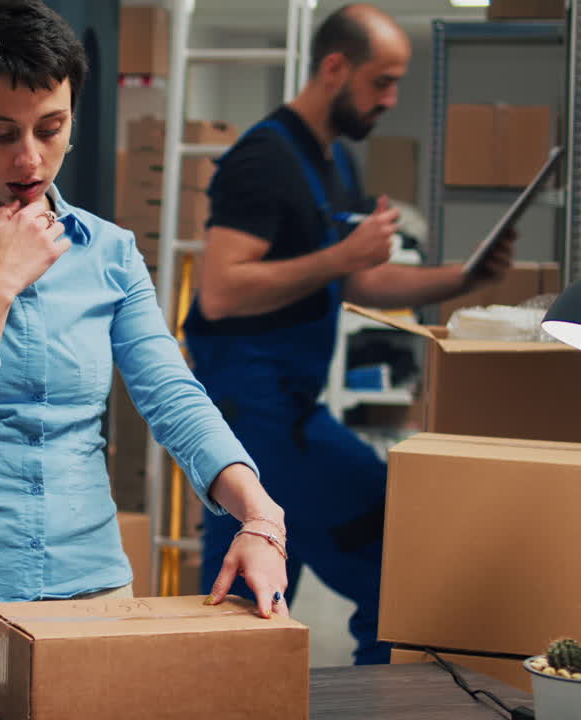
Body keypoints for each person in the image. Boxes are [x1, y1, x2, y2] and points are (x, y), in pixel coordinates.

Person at [0, 0, 291, 688]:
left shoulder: (110, 253)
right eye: (0, 133)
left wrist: (262, 517)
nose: (30, 158)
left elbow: (173, 397)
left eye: (50, 128)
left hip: (88, 591)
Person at [184, 4, 514, 665]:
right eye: (382, 82)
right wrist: (341, 257)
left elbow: (359, 283)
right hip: (253, 411)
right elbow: (220, 291)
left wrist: (464, 278)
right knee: (395, 566)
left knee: (246, 603)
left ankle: (218, 693)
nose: (391, 99)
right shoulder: (263, 160)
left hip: (290, 406)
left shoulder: (336, 163)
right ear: (335, 68)